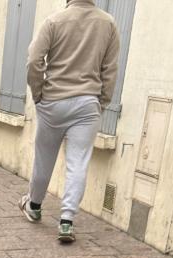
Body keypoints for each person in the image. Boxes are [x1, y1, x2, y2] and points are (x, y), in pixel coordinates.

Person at [19, 0, 120, 244]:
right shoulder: (108, 23)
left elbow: (34, 60)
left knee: (44, 158)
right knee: (78, 163)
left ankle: (34, 206)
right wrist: (101, 102)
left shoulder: (53, 21)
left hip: (53, 100)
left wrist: (38, 94)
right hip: (87, 103)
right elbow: (110, 69)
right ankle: (66, 221)